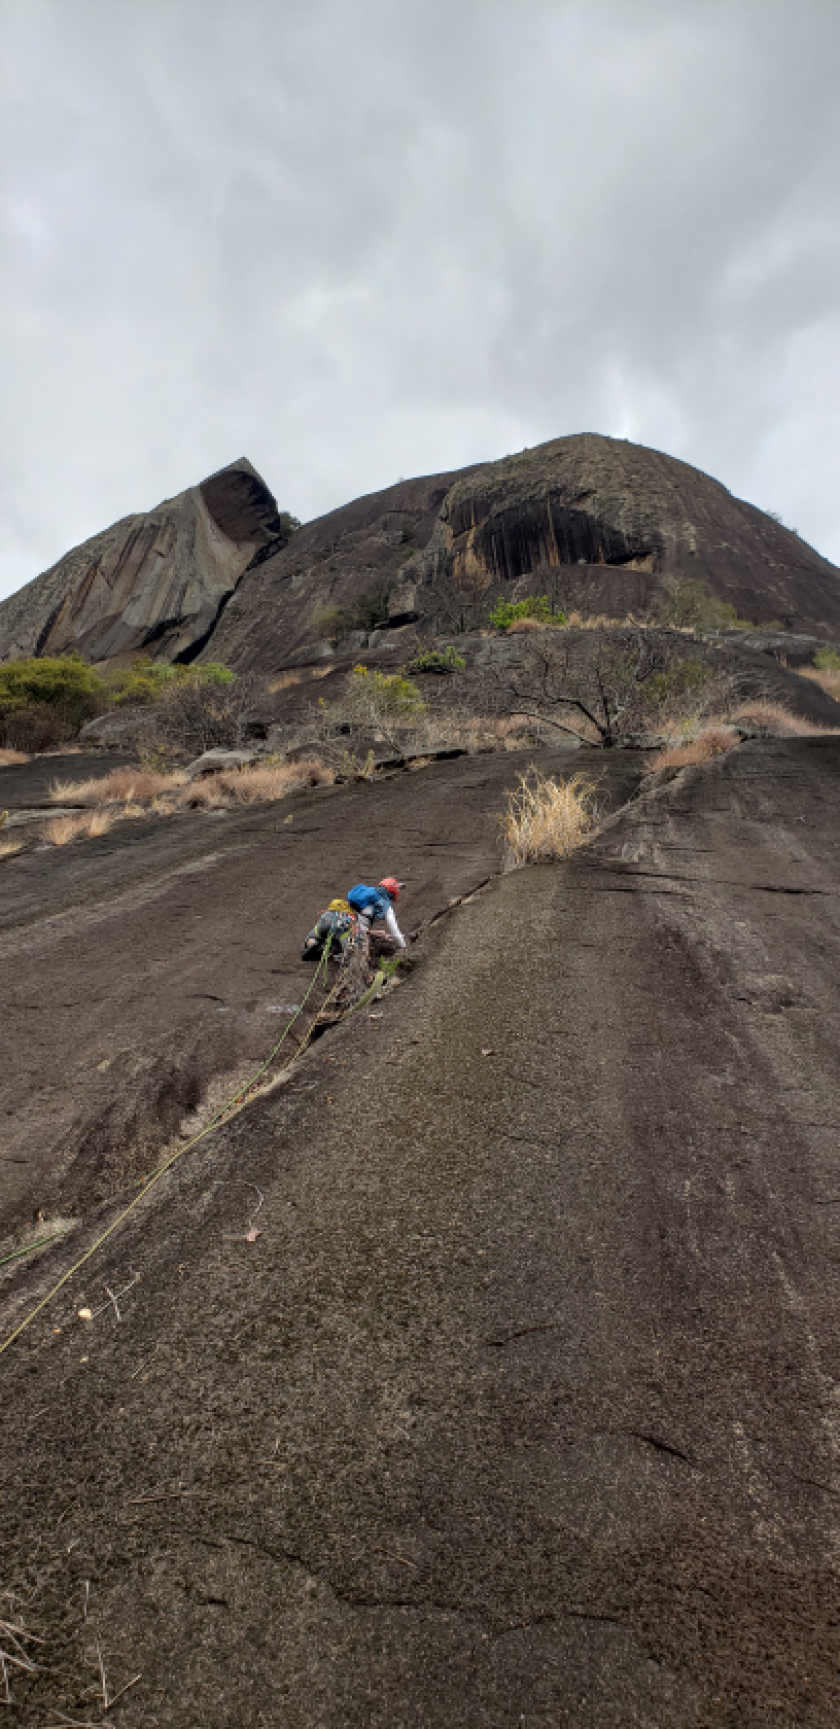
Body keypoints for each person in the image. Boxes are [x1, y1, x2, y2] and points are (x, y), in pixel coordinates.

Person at [346, 877, 407, 949]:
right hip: (360, 929)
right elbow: (395, 933)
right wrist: (404, 947)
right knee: (364, 947)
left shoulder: (367, 892)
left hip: (345, 921)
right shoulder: (386, 906)